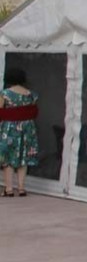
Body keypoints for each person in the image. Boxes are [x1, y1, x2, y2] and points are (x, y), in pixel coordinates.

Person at [0, 67, 40, 196]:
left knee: (8, 157)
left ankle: (9, 189)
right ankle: (22, 188)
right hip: (28, 128)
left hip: (10, 128)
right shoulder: (31, 94)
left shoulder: (5, 93)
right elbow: (33, 111)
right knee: (24, 157)